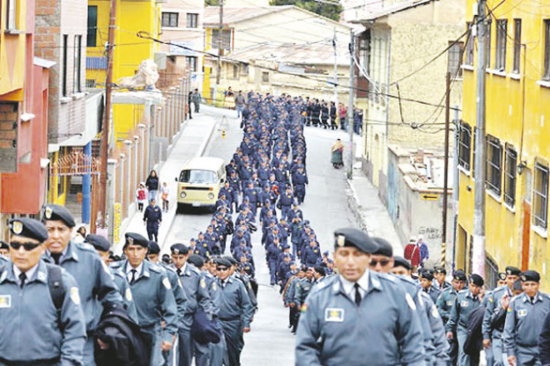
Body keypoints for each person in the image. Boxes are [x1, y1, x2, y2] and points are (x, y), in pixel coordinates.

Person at [295, 228, 425, 365]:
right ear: (335, 257)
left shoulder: (395, 293)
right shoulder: (320, 296)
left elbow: (414, 346)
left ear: (368, 258)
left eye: (357, 255)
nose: (350, 262)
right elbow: (305, 348)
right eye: (343, 254)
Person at [42, 204, 123, 365]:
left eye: (61, 229)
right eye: (50, 230)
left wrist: (109, 330)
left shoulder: (88, 257)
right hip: (42, 344)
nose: (55, 236)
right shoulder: (34, 259)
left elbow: (112, 297)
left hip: (83, 343)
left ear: (71, 232)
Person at [0, 218, 86, 365]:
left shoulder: (59, 282)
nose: (21, 252)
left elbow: (75, 332)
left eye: (28, 246)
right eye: (15, 245)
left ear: (42, 248)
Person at [113, 232, 178, 366]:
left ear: (146, 251)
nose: (135, 254)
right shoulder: (113, 273)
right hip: (120, 333)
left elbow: (170, 308)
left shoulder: (158, 275)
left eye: (139, 249)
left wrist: (168, 335)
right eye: (131, 249)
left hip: (149, 333)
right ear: (125, 251)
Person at [170, 243, 214, 366]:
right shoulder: (166, 272)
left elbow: (204, 298)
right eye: (174, 257)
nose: (177, 261)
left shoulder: (195, 274)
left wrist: (205, 320)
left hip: (187, 318)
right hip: (169, 316)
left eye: (180, 258)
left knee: (185, 352)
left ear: (186, 256)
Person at [503, 270, 550, 366]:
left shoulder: (547, 301)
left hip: (543, 351)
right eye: (526, 284)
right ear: (522, 285)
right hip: (522, 351)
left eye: (533, 284)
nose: (530, 288)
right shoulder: (515, 302)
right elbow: (509, 329)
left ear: (538, 285)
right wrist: (510, 352)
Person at [215, 257, 254, 366]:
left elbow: (246, 304)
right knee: (217, 351)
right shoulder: (212, 283)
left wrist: (246, 323)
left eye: (224, 269)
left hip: (233, 323)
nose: (221, 272)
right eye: (219, 269)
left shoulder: (238, 284)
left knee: (233, 352)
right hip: (216, 322)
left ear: (229, 270)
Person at [482, 266, 521, 366]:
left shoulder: (523, 295)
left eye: (514, 278)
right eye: (509, 278)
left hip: (516, 336)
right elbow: (488, 319)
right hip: (499, 334)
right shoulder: (496, 294)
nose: (511, 281)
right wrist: (502, 309)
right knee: (498, 362)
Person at [446, 273, 485, 366]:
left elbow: (487, 314)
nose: (474, 289)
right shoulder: (461, 296)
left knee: (475, 355)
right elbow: (454, 314)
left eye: (477, 287)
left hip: (477, 331)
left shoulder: (484, 298)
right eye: (472, 286)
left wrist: (482, 301)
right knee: (464, 352)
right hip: (463, 328)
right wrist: (450, 329)